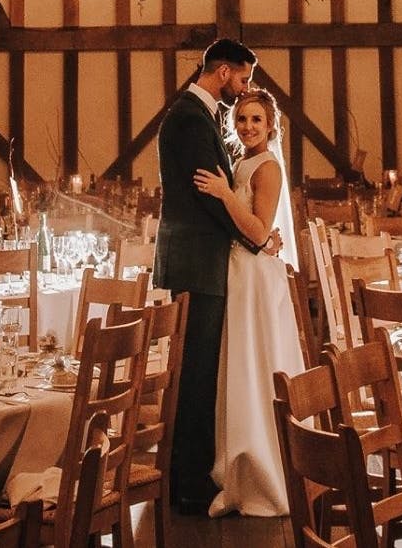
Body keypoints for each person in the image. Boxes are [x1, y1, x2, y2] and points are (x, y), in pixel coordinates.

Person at [153, 37, 271, 515]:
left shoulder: (198, 116)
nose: (243, 89)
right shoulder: (189, 116)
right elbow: (207, 195)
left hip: (199, 260)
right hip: (198, 263)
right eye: (242, 79)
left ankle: (189, 474)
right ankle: (186, 483)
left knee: (201, 372)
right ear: (223, 71)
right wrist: (255, 239)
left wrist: (257, 234)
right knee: (196, 374)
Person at [194, 87, 301, 518]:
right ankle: (237, 473)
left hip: (255, 277)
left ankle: (264, 474)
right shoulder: (240, 162)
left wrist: (223, 193)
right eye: (242, 119)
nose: (249, 126)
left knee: (255, 366)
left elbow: (259, 233)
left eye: (257, 120)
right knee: (237, 368)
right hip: (238, 272)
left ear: (271, 125)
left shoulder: (268, 167)